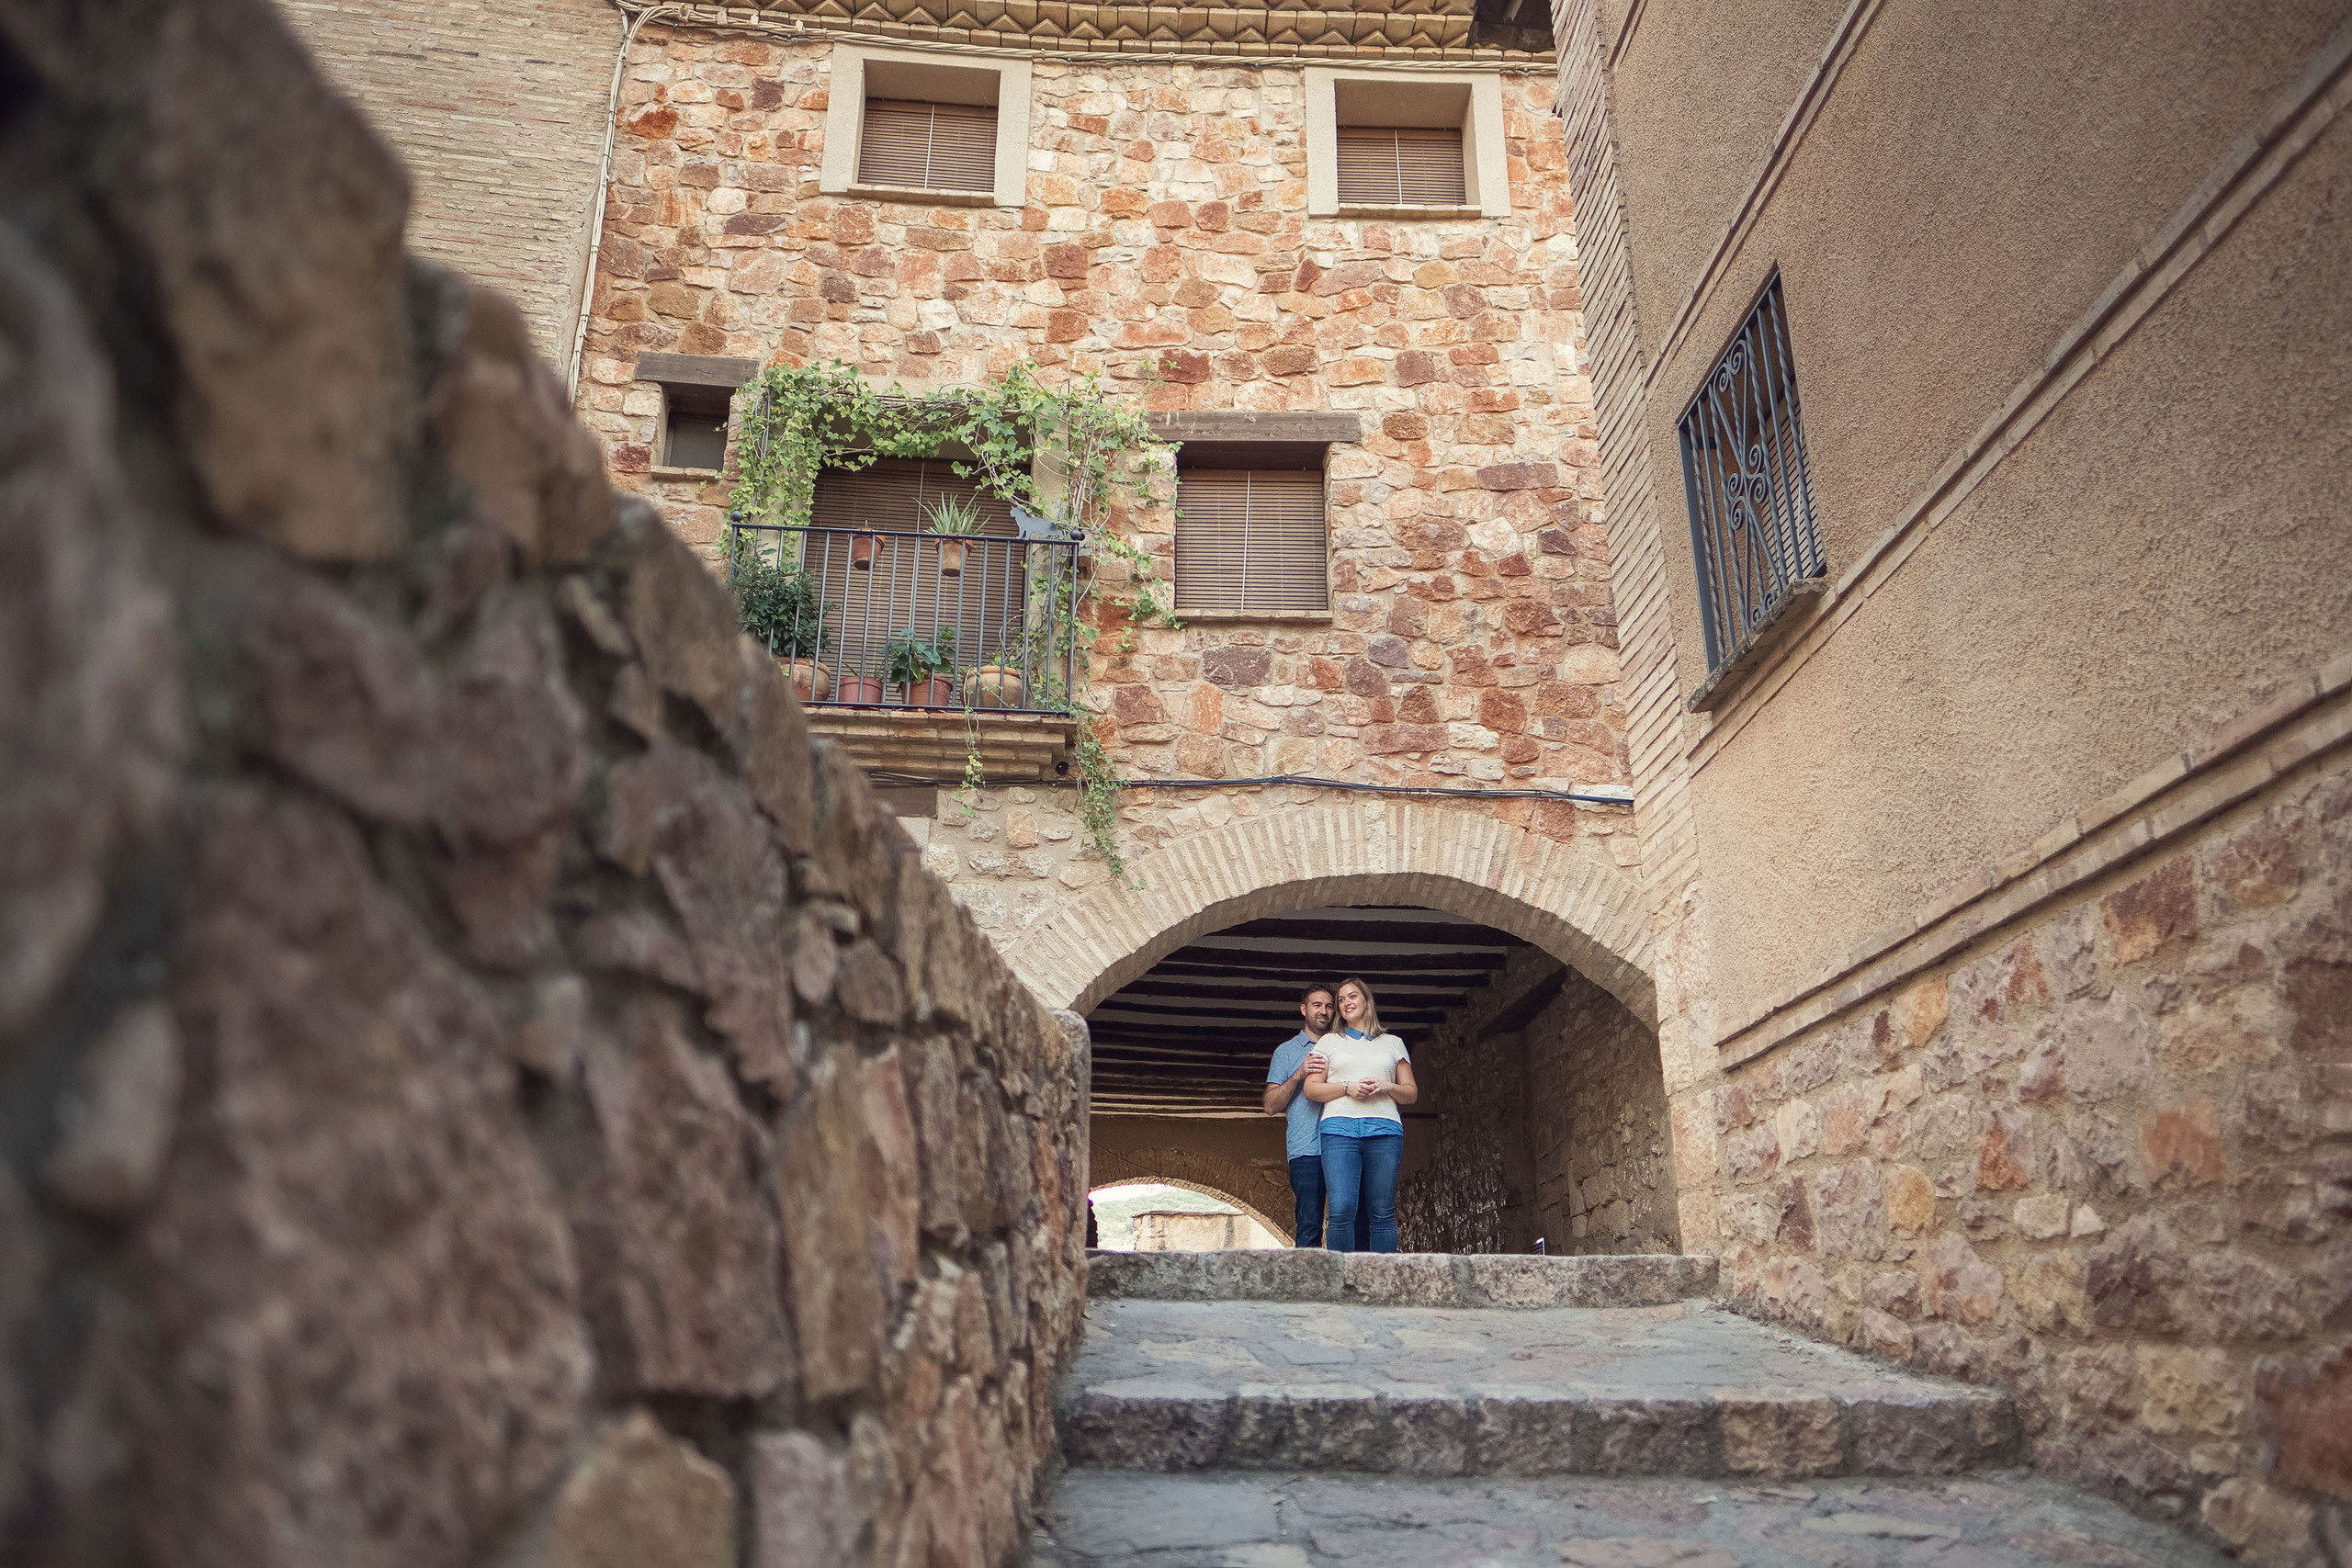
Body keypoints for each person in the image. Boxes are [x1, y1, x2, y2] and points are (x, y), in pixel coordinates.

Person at [1304, 976, 1417, 1253]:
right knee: (1342, 1208)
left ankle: (1383, 1284)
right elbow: (1311, 1089)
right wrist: (1347, 1088)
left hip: (1385, 1131)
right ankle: (1339, 1284)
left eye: (1352, 996)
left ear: (1367, 1000)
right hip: (1339, 1131)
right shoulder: (1328, 1043)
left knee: (1381, 1211)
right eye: (1340, 1000)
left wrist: (1387, 1086)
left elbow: (1411, 1093)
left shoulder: (1393, 1043)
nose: (1345, 1003)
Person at [1265, 983, 1364, 1249]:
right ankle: (1308, 1288)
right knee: (1309, 1222)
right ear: (1303, 1009)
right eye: (1317, 1005)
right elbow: (1270, 1106)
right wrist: (1299, 1073)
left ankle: (1351, 1285)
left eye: (1329, 1006)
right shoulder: (1285, 1052)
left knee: (1354, 1219)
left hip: (1347, 1144)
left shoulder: (1347, 1047)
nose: (1324, 1011)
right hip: (1306, 1150)